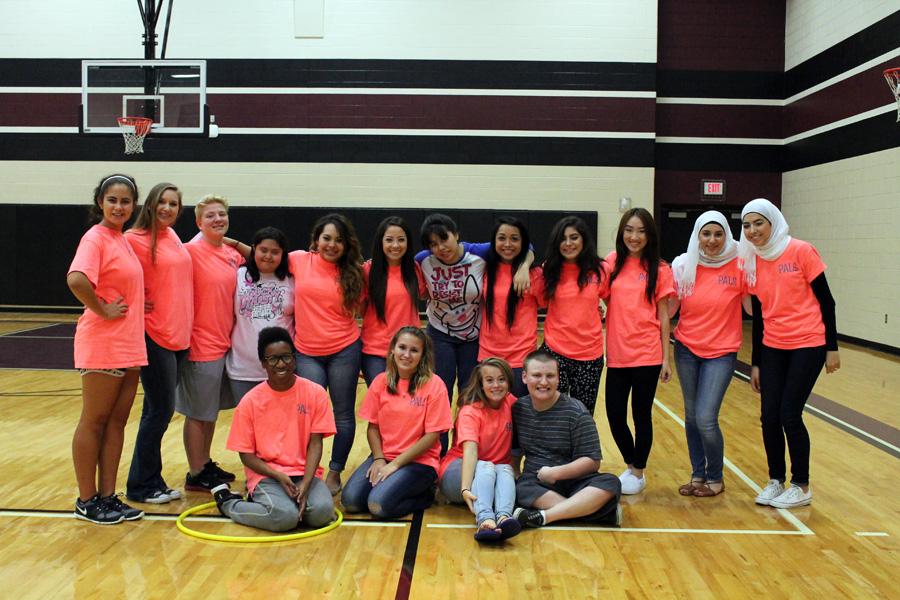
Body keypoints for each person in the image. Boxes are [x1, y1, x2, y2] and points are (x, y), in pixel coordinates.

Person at [740, 198, 840, 509]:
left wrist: (831, 348)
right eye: (746, 225)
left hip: (808, 343)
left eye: (759, 223)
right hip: (773, 346)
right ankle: (775, 480)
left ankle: (801, 483)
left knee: (789, 414)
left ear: (773, 222)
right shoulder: (751, 260)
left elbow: (827, 301)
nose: (753, 231)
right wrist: (756, 362)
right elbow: (758, 316)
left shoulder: (800, 250)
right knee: (768, 416)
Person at [67, 173, 147, 524]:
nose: (119, 206)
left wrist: (138, 302)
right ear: (100, 202)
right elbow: (77, 279)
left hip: (129, 344)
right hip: (103, 342)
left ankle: (107, 497)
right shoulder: (95, 237)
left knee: (116, 423)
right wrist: (101, 309)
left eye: (125, 201)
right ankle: (87, 500)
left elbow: (122, 282)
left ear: (133, 206)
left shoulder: (121, 239)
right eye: (112, 200)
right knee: (94, 421)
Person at [211, 327, 337, 531]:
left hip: (304, 473)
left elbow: (316, 443)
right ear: (263, 363)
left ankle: (284, 505)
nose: (281, 364)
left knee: (322, 513)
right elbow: (246, 455)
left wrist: (305, 483)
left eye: (286, 357)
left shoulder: (315, 393)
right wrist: (278, 476)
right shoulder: (250, 402)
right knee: (285, 518)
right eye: (273, 359)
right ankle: (228, 503)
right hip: (267, 476)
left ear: (294, 359)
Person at [124, 182, 193, 505]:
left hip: (180, 336)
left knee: (156, 410)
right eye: (162, 202)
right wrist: (130, 302)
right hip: (155, 336)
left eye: (174, 204)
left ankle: (149, 479)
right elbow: (112, 276)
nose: (167, 208)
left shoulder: (174, 237)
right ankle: (141, 484)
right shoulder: (132, 240)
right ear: (150, 205)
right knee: (161, 411)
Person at [670, 211, 745, 497]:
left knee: (705, 418)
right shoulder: (683, 264)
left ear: (726, 234)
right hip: (687, 349)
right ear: (697, 236)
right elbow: (672, 308)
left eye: (718, 234)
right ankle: (697, 475)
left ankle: (715, 475)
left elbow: (755, 307)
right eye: (706, 234)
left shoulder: (741, 263)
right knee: (691, 417)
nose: (712, 240)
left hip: (722, 352)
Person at [341, 326, 452, 519]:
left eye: (414, 350)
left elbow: (433, 436)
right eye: (402, 347)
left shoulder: (435, 385)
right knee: (350, 501)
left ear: (422, 355)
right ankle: (390, 486)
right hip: (385, 457)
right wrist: (378, 459)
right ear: (393, 349)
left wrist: (396, 465)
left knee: (378, 505)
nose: (407, 355)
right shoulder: (380, 381)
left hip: (418, 462)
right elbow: (373, 427)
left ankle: (426, 494)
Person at [289, 213, 365, 495]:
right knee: (309, 416)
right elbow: (263, 255)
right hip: (307, 352)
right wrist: (230, 243)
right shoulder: (297, 260)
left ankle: (334, 471)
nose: (332, 245)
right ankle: (306, 470)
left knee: (343, 413)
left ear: (346, 245)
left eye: (339, 240)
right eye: (327, 238)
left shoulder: (354, 272)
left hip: (344, 350)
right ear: (316, 240)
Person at [604, 207, 676, 495]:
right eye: (629, 230)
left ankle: (638, 470)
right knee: (614, 414)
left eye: (641, 231)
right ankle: (630, 461)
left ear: (650, 235)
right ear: (622, 233)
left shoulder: (660, 269)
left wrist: (665, 358)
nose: (634, 236)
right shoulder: (612, 262)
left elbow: (664, 315)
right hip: (618, 353)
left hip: (646, 353)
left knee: (641, 414)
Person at [177, 194, 246, 492]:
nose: (218, 219)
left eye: (222, 214)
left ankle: (204, 463)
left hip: (224, 343)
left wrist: (230, 241)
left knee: (210, 411)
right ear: (198, 222)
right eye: (210, 216)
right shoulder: (189, 252)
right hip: (199, 344)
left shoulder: (230, 254)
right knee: (197, 412)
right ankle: (195, 472)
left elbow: (257, 255)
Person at [511, 350, 621, 528]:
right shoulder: (518, 409)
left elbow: (592, 462)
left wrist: (556, 473)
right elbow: (514, 451)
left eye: (550, 376)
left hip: (575, 481)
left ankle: (545, 516)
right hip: (536, 482)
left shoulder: (576, 411)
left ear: (558, 379)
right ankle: (592, 511)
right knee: (519, 488)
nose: (544, 382)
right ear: (524, 377)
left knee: (610, 482)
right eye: (537, 375)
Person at [438, 358, 522, 542]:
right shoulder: (470, 411)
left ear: (509, 381)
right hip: (458, 473)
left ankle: (503, 517)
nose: (496, 385)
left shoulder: (511, 403)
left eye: (501, 379)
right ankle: (485, 520)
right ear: (481, 383)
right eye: (489, 380)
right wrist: (465, 488)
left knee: (505, 468)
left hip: (492, 475)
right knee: (487, 466)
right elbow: (470, 452)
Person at [539, 216, 608, 414]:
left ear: (584, 240)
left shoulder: (601, 270)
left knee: (583, 415)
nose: (568, 243)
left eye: (574, 237)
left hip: (590, 355)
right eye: (563, 238)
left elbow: (611, 300)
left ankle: (578, 447)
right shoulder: (549, 270)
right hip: (555, 351)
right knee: (552, 412)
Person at [226, 227, 294, 402]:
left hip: (282, 368)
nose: (268, 256)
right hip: (243, 369)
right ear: (254, 249)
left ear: (283, 254)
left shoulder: (292, 279)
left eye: (275, 252)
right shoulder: (238, 275)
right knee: (249, 425)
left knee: (282, 424)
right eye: (263, 250)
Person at [479, 217, 544, 397]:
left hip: (521, 358)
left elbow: (553, 304)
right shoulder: (483, 268)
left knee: (520, 417)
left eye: (514, 239)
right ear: (493, 241)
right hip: (488, 355)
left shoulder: (535, 274)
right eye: (502, 238)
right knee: (490, 416)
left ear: (523, 243)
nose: (508, 244)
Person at [361, 216, 421, 385]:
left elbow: (425, 294)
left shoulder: (415, 269)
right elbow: (361, 309)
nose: (395, 245)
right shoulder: (367, 271)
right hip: (376, 352)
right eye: (389, 240)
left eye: (401, 240)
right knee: (383, 404)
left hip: (410, 350)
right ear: (381, 242)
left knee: (409, 404)